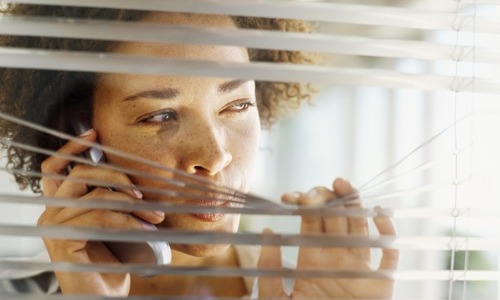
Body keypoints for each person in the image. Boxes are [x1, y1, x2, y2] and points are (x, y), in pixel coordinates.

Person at [0, 4, 399, 298]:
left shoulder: (323, 290)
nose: (214, 156)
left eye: (238, 105)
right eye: (160, 115)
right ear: (80, 135)